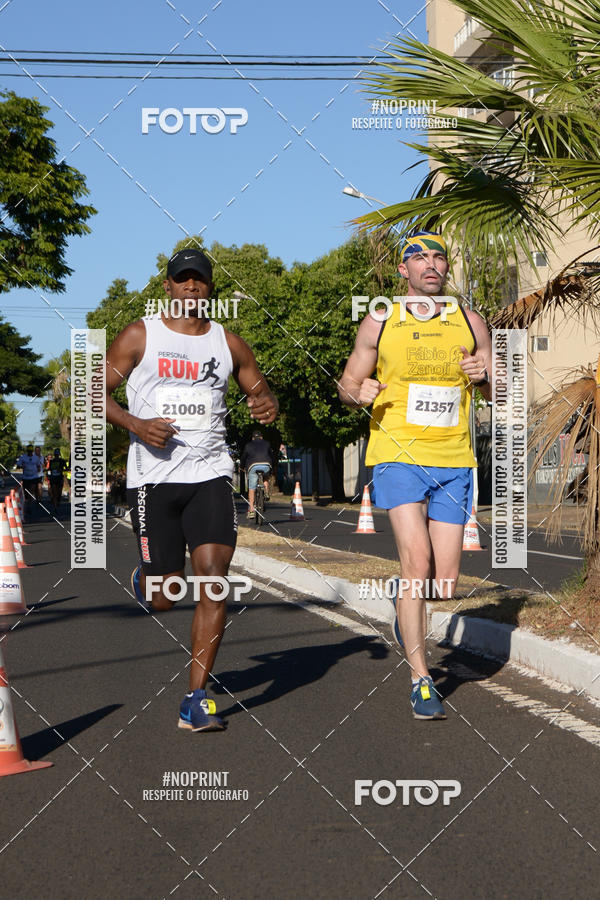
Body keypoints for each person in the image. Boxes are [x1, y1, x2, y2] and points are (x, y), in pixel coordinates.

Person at [106, 247, 278, 733]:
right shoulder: (141, 335)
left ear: (209, 288)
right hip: (154, 480)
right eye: (181, 279)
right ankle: (149, 578)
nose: (190, 287)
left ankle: (196, 697)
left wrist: (266, 405)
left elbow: (261, 392)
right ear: (167, 287)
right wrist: (137, 424)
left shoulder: (229, 344)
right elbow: (94, 391)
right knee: (165, 596)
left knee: (213, 579)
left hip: (211, 476)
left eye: (198, 280)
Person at [338, 231, 492, 721]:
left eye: (438, 256)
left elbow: (499, 387)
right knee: (417, 564)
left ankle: (408, 602)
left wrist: (483, 375)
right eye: (418, 257)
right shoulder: (380, 320)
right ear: (402, 271)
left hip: (453, 459)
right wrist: (356, 393)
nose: (430, 263)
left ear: (446, 268)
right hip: (398, 454)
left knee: (444, 582)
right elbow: (346, 383)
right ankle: (420, 678)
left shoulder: (470, 321)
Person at [240, 430, 274, 519]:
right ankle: (266, 492)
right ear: (261, 437)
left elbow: (244, 457)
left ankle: (251, 510)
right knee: (266, 476)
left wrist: (242, 467)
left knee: (252, 488)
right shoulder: (267, 443)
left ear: (252, 438)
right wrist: (272, 465)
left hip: (253, 466)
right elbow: (271, 455)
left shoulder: (248, 445)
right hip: (266, 464)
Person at [16, 445, 43, 510]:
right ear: (27, 451)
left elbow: (39, 466)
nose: (30, 453)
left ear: (32, 451)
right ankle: (27, 502)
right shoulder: (23, 457)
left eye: (31, 451)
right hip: (25, 477)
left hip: (33, 477)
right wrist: (22, 466)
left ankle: (29, 506)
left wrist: (38, 470)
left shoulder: (36, 458)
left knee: (31, 491)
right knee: (26, 493)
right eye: (29, 451)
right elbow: (18, 465)